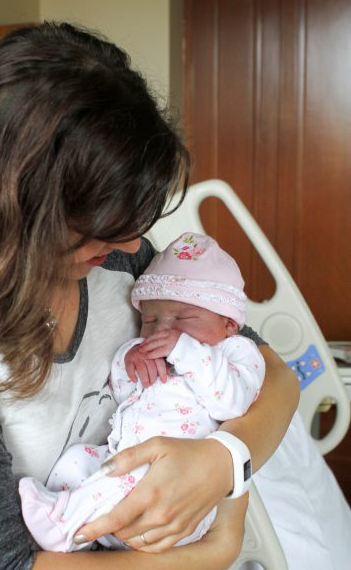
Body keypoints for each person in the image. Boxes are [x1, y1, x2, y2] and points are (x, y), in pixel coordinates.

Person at [0, 22, 299, 570]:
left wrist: (223, 460)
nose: (133, 243)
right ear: (16, 201)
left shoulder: (124, 262)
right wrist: (209, 553)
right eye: (103, 225)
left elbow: (275, 379)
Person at [19, 232, 265, 553]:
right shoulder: (151, 347)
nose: (164, 330)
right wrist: (130, 360)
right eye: (150, 319)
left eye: (182, 318)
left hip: (177, 491)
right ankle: (71, 516)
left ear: (229, 323)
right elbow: (122, 395)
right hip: (122, 459)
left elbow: (231, 402)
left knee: (123, 477)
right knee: (78, 460)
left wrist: (185, 350)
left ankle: (64, 527)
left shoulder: (236, 353)